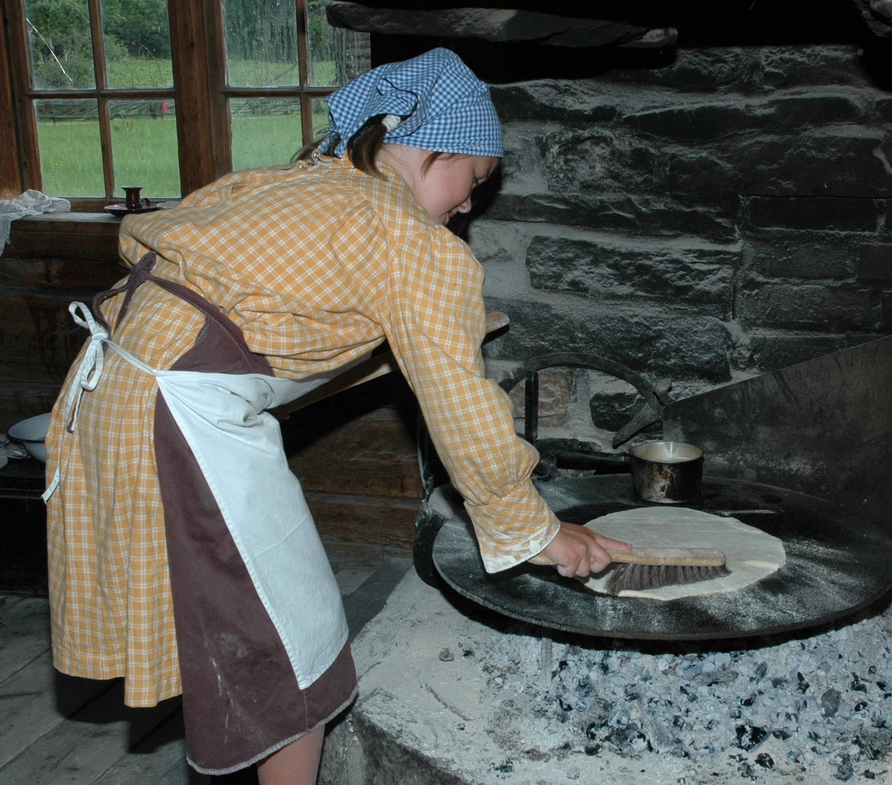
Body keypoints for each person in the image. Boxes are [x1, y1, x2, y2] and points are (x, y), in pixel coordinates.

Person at [43, 47, 627, 784]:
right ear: (424, 142)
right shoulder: (408, 237)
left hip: (125, 389)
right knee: (292, 655)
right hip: (182, 414)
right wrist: (531, 527)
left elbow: (269, 320)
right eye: (471, 179)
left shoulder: (318, 184)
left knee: (258, 625)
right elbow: (459, 401)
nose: (469, 204)